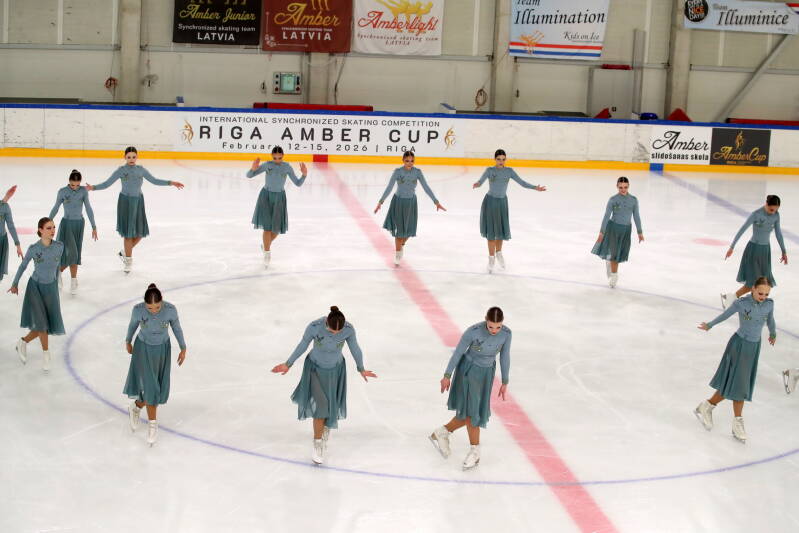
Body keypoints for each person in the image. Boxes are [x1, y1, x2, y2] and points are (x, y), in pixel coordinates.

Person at [271, 306, 377, 465]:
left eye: (338, 333)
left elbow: (355, 347)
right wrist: (288, 363)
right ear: (327, 322)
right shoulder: (314, 327)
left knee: (330, 405)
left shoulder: (348, 329)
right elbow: (303, 345)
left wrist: (361, 368)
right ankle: (318, 443)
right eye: (332, 331)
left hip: (335, 370)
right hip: (314, 369)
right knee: (320, 408)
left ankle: (325, 428)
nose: (335, 334)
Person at [695, 277, 776, 443]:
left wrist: (773, 333)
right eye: (760, 293)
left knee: (735, 383)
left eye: (766, 294)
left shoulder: (769, 304)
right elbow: (726, 314)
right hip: (739, 345)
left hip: (754, 347)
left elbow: (770, 320)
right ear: (752, 289)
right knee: (739, 384)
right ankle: (737, 421)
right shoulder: (742, 303)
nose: (763, 296)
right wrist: (710, 325)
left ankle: (708, 406)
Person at [430, 307, 511, 470]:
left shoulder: (506, 334)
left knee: (472, 412)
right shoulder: (473, 332)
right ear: (485, 321)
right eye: (491, 327)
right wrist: (447, 375)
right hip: (468, 371)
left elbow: (504, 356)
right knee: (473, 412)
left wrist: (505, 381)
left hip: (487, 373)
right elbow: (458, 353)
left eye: (498, 327)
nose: (494, 330)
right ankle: (475, 450)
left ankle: (442, 432)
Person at [86, 147, 184, 273]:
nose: (131, 159)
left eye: (133, 157)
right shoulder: (121, 170)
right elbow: (107, 184)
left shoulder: (141, 170)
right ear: (125, 158)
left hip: (138, 202)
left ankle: (125, 252)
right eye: (129, 157)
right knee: (128, 233)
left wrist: (171, 182)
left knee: (140, 232)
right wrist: (92, 187)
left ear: (137, 157)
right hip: (125, 202)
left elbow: (154, 181)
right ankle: (128, 261)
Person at [123, 283, 187, 446]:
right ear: (145, 304)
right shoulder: (138, 310)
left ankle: (136, 406)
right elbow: (132, 325)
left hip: (162, 350)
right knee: (152, 387)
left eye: (157, 307)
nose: (153, 311)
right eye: (149, 308)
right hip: (143, 349)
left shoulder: (170, 310)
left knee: (158, 386)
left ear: (162, 302)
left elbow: (177, 329)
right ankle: (152, 424)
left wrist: (183, 347)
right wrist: (128, 340)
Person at [473, 149, 546, 273]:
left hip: (502, 203)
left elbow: (522, 183)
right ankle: (491, 258)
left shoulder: (509, 171)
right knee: (491, 231)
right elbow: (481, 181)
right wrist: (477, 184)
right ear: (495, 159)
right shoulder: (490, 170)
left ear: (505, 159)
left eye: (503, 159)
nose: (501, 162)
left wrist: (535, 188)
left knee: (500, 230)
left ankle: (499, 253)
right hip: (490, 202)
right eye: (499, 159)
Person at [8, 217, 65, 372]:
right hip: (35, 288)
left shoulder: (60, 246)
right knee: (41, 324)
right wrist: (14, 284)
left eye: (53, 227)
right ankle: (46, 354)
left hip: (51, 288)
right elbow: (22, 266)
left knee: (45, 324)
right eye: (48, 228)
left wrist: (59, 280)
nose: (53, 230)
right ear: (40, 230)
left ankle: (23, 341)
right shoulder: (34, 248)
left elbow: (58, 265)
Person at [374, 151, 446, 266]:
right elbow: (389, 187)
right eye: (407, 161)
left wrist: (436, 202)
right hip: (398, 202)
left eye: (412, 161)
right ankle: (398, 254)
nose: (409, 163)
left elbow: (426, 187)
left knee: (408, 231)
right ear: (403, 160)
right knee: (399, 233)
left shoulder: (417, 172)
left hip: (411, 203)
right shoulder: (398, 172)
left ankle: (401, 245)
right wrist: (380, 202)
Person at [246, 146, 308, 268]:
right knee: (267, 228)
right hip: (266, 196)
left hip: (279, 198)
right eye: (275, 158)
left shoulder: (287, 167)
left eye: (279, 158)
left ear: (283, 156)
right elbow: (249, 175)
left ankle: (265, 245)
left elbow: (298, 183)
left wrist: (304, 175)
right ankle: (267, 254)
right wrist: (252, 169)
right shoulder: (267, 165)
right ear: (272, 156)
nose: (277, 160)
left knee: (277, 229)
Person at [720, 195, 786, 309]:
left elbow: (778, 233)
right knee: (754, 283)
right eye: (771, 209)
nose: (773, 212)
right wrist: (732, 247)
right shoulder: (756, 214)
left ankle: (730, 298)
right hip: (753, 250)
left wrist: (784, 251)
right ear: (766, 204)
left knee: (764, 282)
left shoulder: (776, 216)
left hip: (765, 251)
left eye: (776, 210)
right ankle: (736, 300)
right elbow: (742, 229)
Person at [49, 170, 98, 294]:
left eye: (77, 184)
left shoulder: (83, 191)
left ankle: (66, 276)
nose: (75, 187)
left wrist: (94, 226)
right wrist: (48, 221)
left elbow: (88, 208)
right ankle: (68, 277)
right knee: (72, 254)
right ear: (69, 182)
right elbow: (56, 207)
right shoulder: (62, 192)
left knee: (75, 253)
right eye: (72, 185)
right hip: (67, 224)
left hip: (79, 225)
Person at [590, 177, 644, 288]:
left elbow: (636, 216)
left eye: (625, 187)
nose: (623, 189)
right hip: (613, 229)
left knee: (618, 255)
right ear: (617, 187)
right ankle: (614, 276)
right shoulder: (613, 199)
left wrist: (640, 232)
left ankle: (611, 268)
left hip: (625, 230)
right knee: (614, 255)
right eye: (620, 187)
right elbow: (606, 216)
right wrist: (601, 232)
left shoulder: (633, 200)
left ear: (628, 186)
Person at [0, 185, 22, 283]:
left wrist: (18, 245)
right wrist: (6, 198)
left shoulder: (5, 207)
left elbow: (11, 226)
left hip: (1, 241)